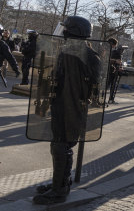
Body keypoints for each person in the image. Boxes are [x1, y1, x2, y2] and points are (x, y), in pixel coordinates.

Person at [33, 16, 102, 205]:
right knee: (59, 144)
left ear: (73, 32)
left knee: (61, 145)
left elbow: (95, 84)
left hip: (72, 106)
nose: (62, 33)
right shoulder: (72, 51)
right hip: (63, 104)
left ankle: (59, 190)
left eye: (66, 29)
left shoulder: (85, 54)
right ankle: (61, 183)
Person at [107, 38, 122, 104]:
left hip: (110, 70)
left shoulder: (111, 51)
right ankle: (110, 99)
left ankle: (110, 98)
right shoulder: (110, 51)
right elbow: (107, 59)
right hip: (111, 71)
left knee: (109, 85)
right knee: (111, 85)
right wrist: (115, 61)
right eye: (114, 45)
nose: (114, 47)